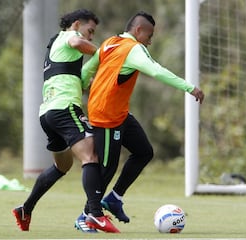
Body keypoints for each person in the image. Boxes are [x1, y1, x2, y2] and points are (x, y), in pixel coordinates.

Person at [78, 10, 204, 229]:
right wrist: (189, 88)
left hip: (119, 113)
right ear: (138, 31)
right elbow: (156, 71)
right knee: (106, 168)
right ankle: (86, 216)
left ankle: (114, 199)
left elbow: (88, 70)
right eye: (149, 35)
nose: (151, 41)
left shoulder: (110, 42)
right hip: (106, 117)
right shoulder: (134, 48)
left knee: (144, 151)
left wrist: (83, 87)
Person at [12, 9, 120, 233]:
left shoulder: (56, 47)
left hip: (47, 113)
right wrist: (105, 54)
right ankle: (94, 214)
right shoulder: (67, 37)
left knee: (63, 165)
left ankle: (26, 208)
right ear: (77, 24)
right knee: (91, 156)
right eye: (89, 31)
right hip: (64, 109)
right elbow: (77, 42)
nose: (89, 36)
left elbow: (79, 81)